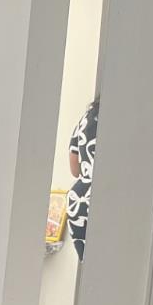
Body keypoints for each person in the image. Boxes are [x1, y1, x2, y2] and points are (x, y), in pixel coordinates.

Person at [66, 96, 98, 261]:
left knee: (90, 270)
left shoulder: (88, 116)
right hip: (104, 196)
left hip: (78, 200)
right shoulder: (126, 115)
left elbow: (74, 169)